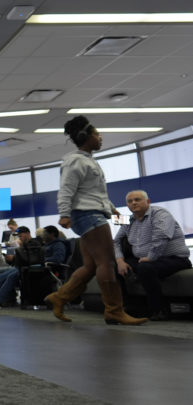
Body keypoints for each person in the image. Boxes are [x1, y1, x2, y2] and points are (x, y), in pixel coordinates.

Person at [44, 116, 147, 325]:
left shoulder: (89, 160)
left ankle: (59, 297)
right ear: (86, 137)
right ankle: (114, 310)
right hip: (87, 215)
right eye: (97, 134)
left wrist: (115, 212)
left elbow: (97, 194)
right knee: (107, 262)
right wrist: (64, 214)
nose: (101, 138)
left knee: (91, 266)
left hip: (91, 212)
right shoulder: (76, 161)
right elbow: (66, 189)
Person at [113, 190, 192, 321]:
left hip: (174, 259)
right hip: (144, 260)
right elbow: (116, 241)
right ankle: (130, 307)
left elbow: (161, 237)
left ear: (148, 202)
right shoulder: (127, 219)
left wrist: (150, 257)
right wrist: (120, 261)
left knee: (145, 268)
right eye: (130, 201)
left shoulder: (160, 213)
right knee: (114, 268)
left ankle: (158, 309)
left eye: (137, 199)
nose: (133, 203)